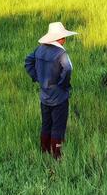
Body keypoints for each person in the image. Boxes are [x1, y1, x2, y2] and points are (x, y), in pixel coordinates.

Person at [24, 22, 78, 160]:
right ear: (59, 38)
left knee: (46, 123)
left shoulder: (39, 49)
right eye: (64, 37)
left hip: (44, 95)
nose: (65, 39)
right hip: (59, 96)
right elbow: (68, 69)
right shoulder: (61, 53)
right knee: (58, 126)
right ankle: (57, 156)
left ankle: (44, 150)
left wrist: (37, 77)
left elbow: (28, 61)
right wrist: (63, 84)